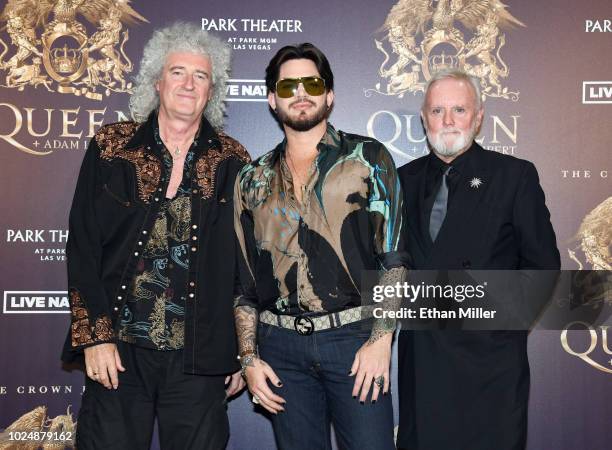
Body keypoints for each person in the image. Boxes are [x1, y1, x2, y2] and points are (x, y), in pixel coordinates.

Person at [60, 22, 250, 449]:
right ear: (157, 81)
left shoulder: (234, 160)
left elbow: (242, 266)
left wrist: (239, 350)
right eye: (178, 72)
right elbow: (83, 246)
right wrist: (96, 337)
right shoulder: (111, 147)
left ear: (211, 90)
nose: (188, 84)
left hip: (200, 358)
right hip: (118, 351)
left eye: (201, 76)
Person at [233, 43, 406, 450]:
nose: (301, 92)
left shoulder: (369, 158)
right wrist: (249, 358)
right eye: (288, 85)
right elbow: (244, 283)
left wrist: (381, 341)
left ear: (328, 94)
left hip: (353, 341)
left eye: (312, 82)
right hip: (280, 352)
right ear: (272, 98)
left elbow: (394, 258)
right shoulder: (250, 178)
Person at [396, 68, 561, 450]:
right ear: (423, 117)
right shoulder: (401, 180)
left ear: (479, 116)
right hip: (424, 367)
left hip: (491, 368)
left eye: (459, 109)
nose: (448, 120)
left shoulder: (514, 176)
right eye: (437, 111)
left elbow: (543, 268)